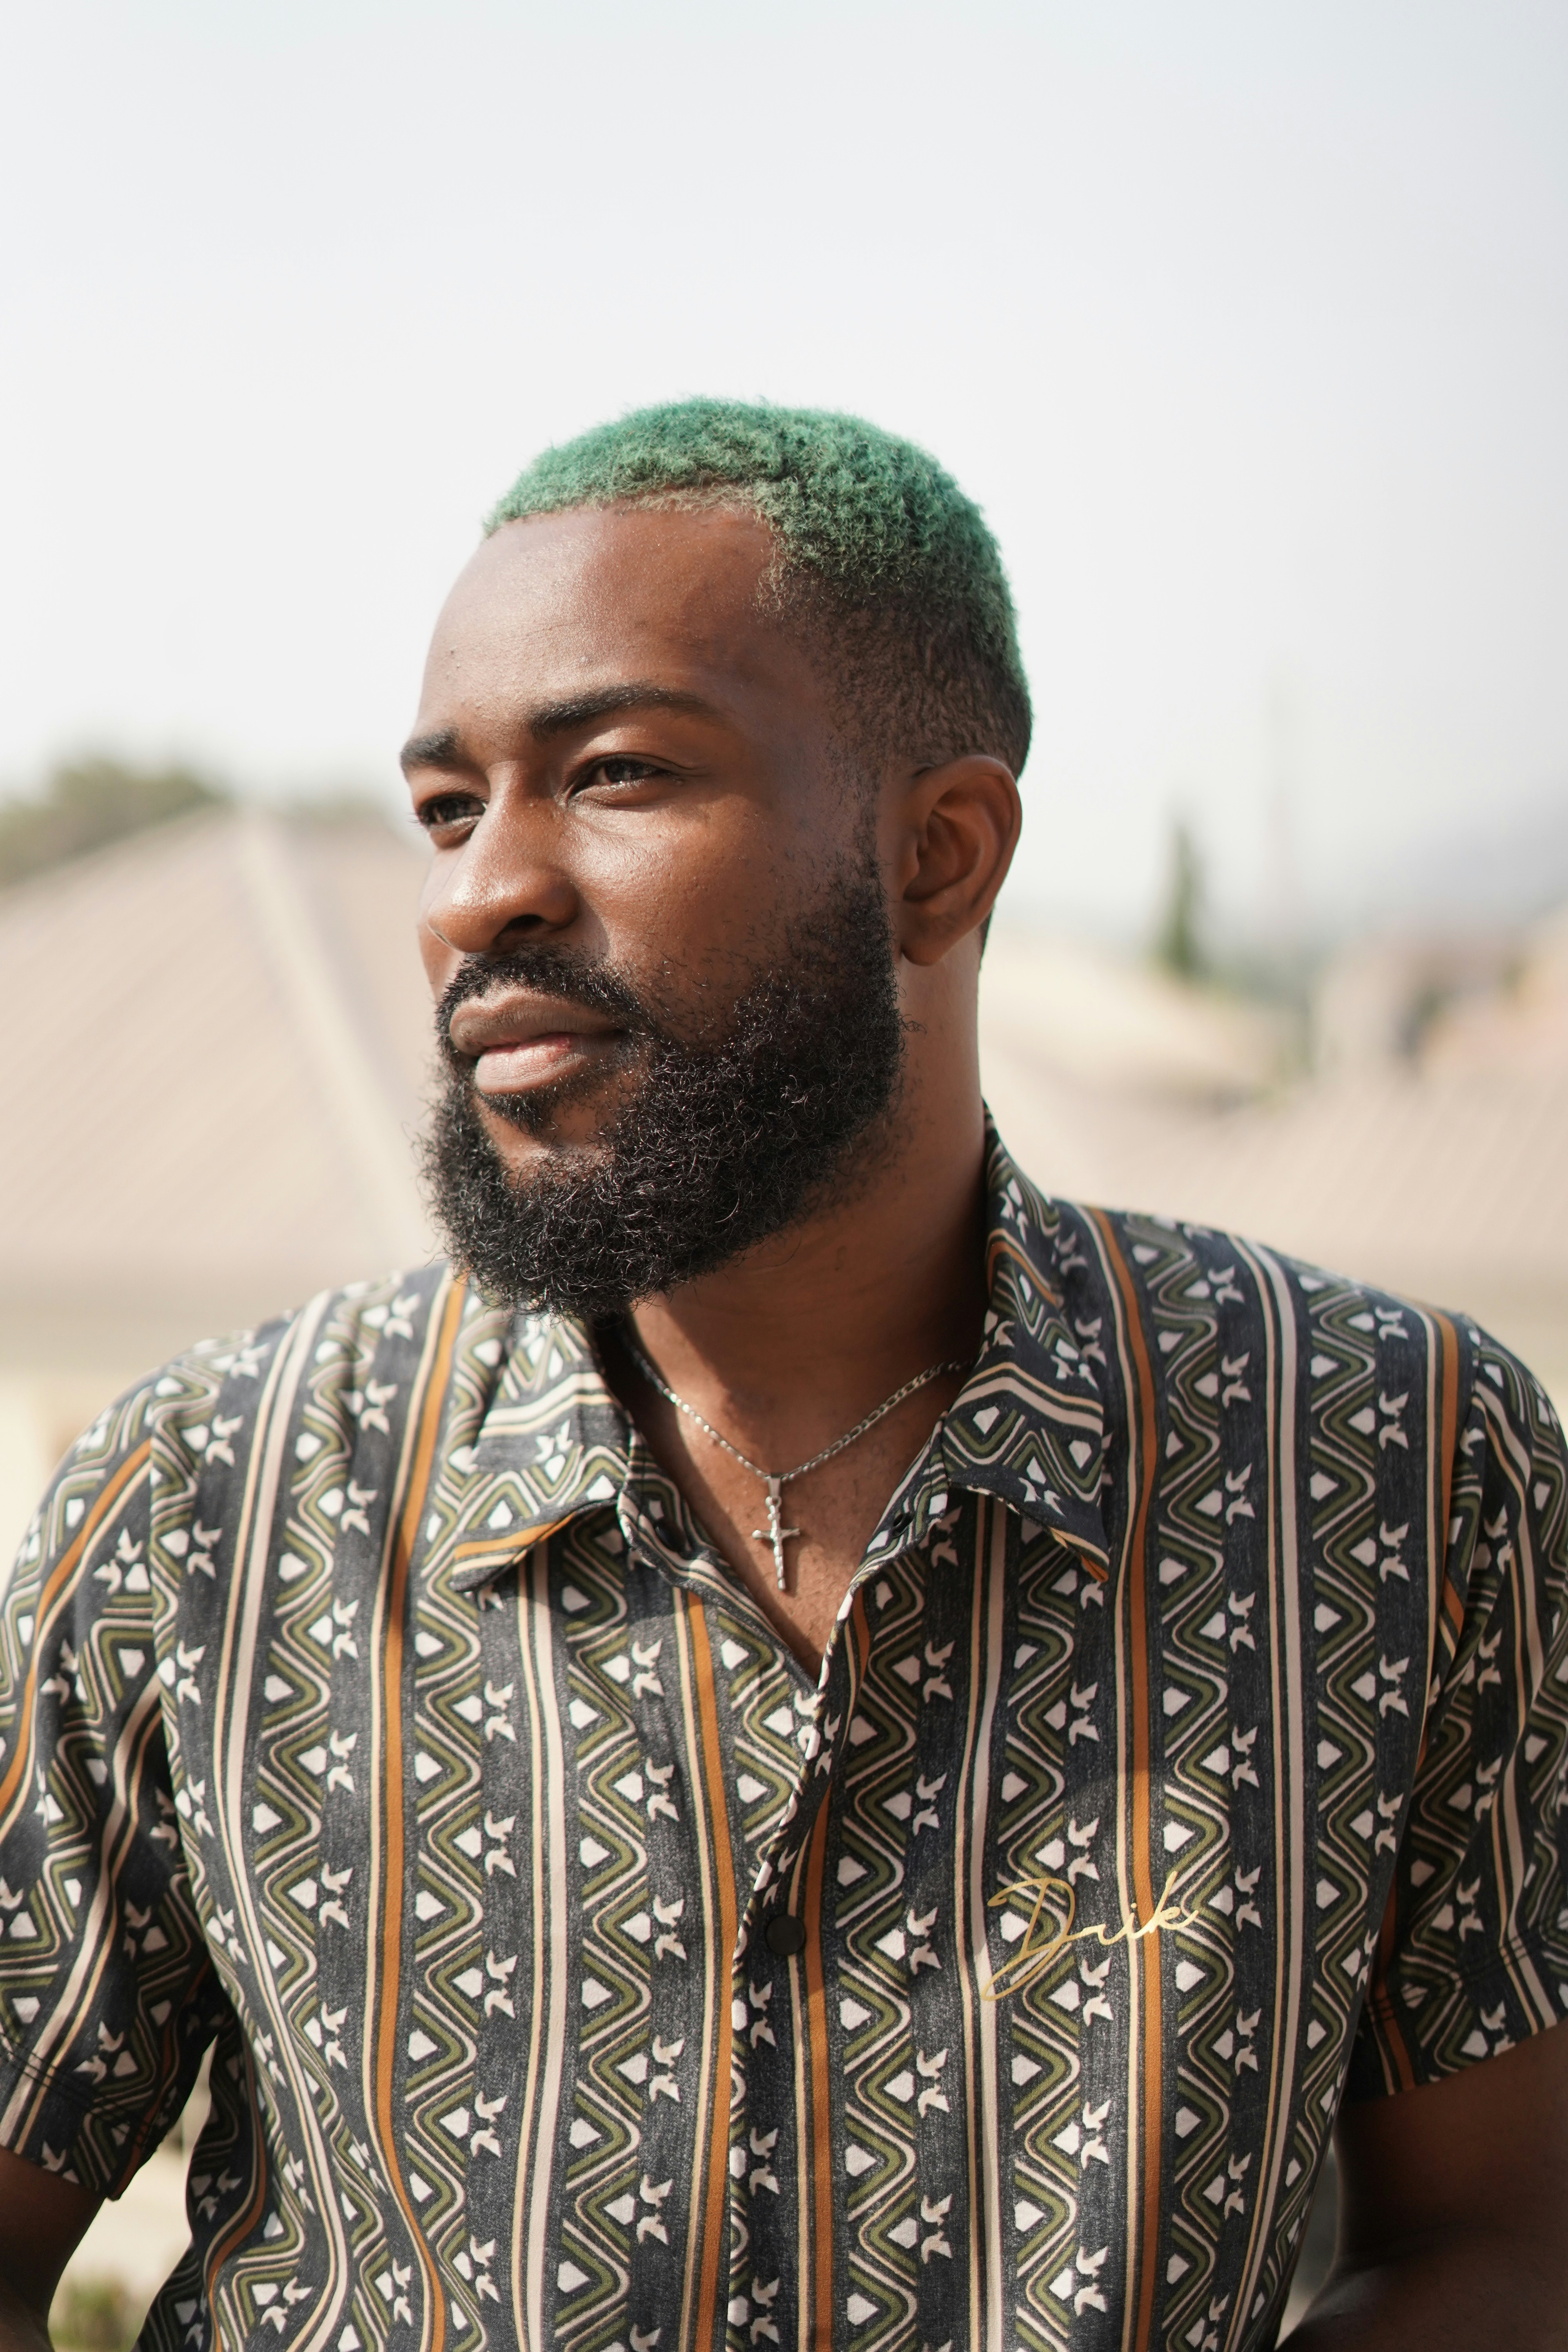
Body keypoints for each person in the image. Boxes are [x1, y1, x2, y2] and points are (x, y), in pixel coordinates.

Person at [0, 402, 1564, 2352]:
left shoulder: (1389, 1464)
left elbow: (1507, 2241)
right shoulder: (208, 1507)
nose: (479, 893)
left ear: (939, 854)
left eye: (618, 771)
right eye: (446, 805)